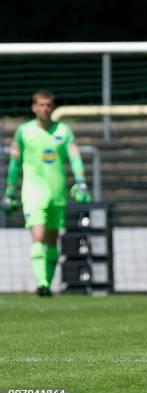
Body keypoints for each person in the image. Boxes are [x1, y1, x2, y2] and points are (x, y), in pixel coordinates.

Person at [1, 90, 92, 297]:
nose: (45, 108)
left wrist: (81, 182)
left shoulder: (64, 131)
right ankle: (41, 282)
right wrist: (10, 191)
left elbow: (75, 157)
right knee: (38, 235)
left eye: (48, 105)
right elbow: (15, 164)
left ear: (53, 107)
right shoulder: (24, 131)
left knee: (52, 238)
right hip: (33, 192)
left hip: (57, 193)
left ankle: (47, 285)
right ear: (34, 107)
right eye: (41, 105)